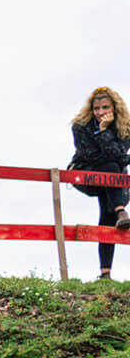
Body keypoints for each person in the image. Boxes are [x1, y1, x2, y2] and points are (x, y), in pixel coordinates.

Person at [69, 86, 130, 279]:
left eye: (105, 108)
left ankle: (105, 273)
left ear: (114, 108)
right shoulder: (80, 127)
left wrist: (105, 133)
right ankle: (121, 210)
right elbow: (92, 156)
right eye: (97, 109)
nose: (100, 113)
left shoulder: (125, 128)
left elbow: (120, 157)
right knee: (110, 166)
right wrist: (103, 132)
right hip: (85, 174)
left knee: (108, 214)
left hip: (112, 180)